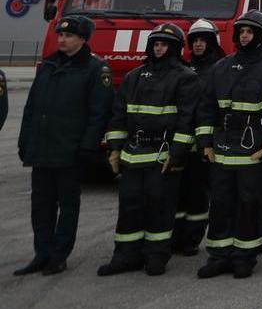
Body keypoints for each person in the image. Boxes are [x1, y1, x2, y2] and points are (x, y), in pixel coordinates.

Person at [195, 10, 262, 279]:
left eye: (250, 31)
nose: (245, 35)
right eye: (241, 31)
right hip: (223, 149)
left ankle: (244, 257)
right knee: (221, 204)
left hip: (254, 149)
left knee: (250, 204)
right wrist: (205, 142)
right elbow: (206, 107)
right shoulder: (222, 67)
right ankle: (218, 256)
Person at [98, 23, 201, 276]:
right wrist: (114, 148)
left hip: (162, 154)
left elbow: (187, 119)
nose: (158, 48)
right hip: (132, 153)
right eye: (155, 43)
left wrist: (177, 153)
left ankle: (156, 255)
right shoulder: (134, 76)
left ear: (175, 48)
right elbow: (119, 115)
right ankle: (126, 255)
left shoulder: (186, 78)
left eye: (164, 44)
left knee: (160, 206)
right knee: (129, 206)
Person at [15, 15, 112, 276]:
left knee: (67, 206)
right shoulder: (48, 66)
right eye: (60, 35)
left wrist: (88, 146)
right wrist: (25, 141)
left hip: (69, 150)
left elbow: (98, 113)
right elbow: (31, 108)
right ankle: (41, 254)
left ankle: (59, 256)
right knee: (41, 205)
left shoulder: (95, 70)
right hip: (42, 149)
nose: (62, 39)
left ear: (82, 39)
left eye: (68, 36)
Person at [174, 18, 223, 256]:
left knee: (198, 194)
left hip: (204, 143)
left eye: (203, 40)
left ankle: (192, 238)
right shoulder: (183, 67)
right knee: (178, 192)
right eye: (195, 41)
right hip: (180, 142)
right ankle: (176, 235)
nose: (198, 45)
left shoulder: (219, 69)